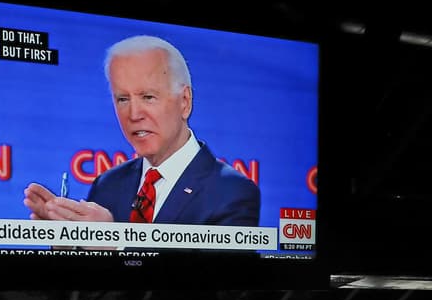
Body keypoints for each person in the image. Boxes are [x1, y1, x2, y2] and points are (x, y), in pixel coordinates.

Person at [23, 35, 260, 227]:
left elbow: (217, 285)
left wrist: (115, 246)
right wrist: (67, 250)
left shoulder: (232, 193)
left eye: (148, 97)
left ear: (185, 101)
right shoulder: (107, 185)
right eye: (123, 99)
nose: (134, 114)